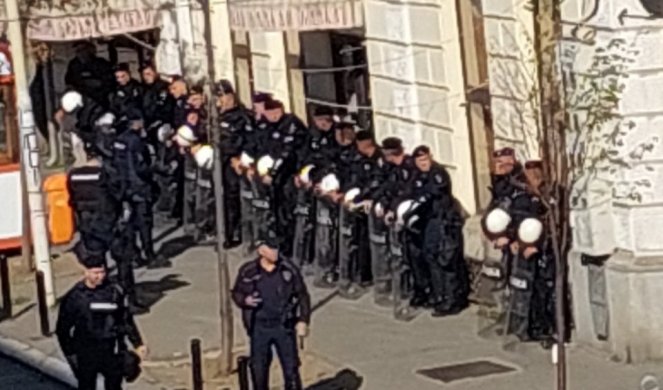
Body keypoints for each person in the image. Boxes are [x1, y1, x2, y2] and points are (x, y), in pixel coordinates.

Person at [56, 253, 147, 390]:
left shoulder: (114, 292)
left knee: (114, 386)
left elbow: (125, 318)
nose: (100, 276)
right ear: (86, 272)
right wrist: (71, 354)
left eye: (102, 272)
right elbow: (63, 328)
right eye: (95, 273)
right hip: (87, 350)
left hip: (112, 348)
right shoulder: (74, 298)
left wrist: (137, 342)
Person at [398, 146, 468, 316]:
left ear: (431, 157)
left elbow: (432, 193)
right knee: (430, 258)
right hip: (428, 223)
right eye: (419, 161)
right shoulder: (418, 174)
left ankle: (451, 300)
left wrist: (413, 207)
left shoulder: (438, 173)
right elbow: (410, 191)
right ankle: (438, 296)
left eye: (425, 160)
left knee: (445, 259)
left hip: (444, 222)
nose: (423, 164)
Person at [232, 240, 310, 390]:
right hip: (259, 327)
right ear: (261, 251)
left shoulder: (288, 270)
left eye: (276, 249)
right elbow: (236, 293)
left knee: (291, 369)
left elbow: (302, 295)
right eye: (271, 249)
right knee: (259, 370)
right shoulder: (249, 271)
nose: (275, 252)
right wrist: (245, 300)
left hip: (283, 326)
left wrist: (303, 320)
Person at [112, 108, 159, 266]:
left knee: (129, 225)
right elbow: (141, 167)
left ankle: (134, 255)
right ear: (138, 124)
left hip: (124, 188)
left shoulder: (119, 140)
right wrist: (154, 171)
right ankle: (150, 255)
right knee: (144, 223)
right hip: (139, 187)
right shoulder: (136, 142)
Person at [292, 106, 336, 270]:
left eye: (327, 120)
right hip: (308, 185)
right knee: (306, 222)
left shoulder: (335, 136)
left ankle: (326, 262)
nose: (323, 124)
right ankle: (306, 256)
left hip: (324, 186)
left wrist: (317, 179)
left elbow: (331, 162)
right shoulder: (310, 135)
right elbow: (303, 157)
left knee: (325, 228)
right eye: (320, 120)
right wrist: (300, 174)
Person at [216, 79, 252, 248]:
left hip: (233, 163)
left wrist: (237, 157)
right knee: (220, 197)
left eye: (223, 96)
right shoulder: (216, 115)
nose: (221, 100)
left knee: (232, 197)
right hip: (219, 162)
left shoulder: (243, 116)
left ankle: (233, 233)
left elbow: (245, 141)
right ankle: (222, 230)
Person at [64, 41, 114, 107]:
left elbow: (110, 83)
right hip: (81, 102)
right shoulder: (74, 65)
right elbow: (69, 82)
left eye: (83, 49)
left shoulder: (101, 64)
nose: (80, 53)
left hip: (99, 101)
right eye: (77, 50)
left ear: (91, 50)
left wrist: (96, 84)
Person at [140, 63, 174, 147]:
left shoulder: (163, 87)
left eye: (148, 74)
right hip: (148, 123)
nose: (146, 77)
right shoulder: (144, 89)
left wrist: (158, 121)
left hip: (162, 122)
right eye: (144, 74)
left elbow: (165, 107)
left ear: (155, 73)